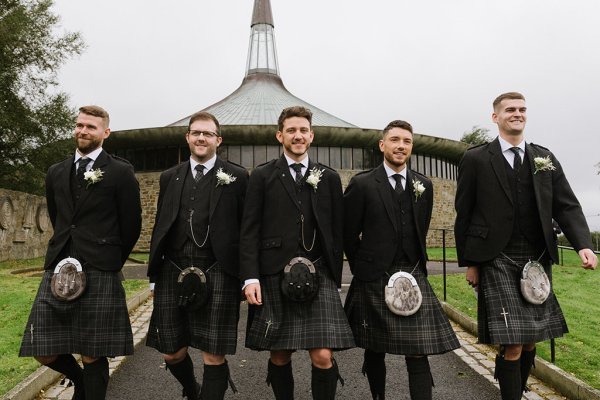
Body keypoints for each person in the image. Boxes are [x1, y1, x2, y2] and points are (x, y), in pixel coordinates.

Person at [455, 92, 598, 399]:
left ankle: (517, 391)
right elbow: (464, 213)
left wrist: (583, 244)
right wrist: (470, 262)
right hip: (496, 257)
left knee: (531, 339)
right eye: (509, 109)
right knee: (514, 343)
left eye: (521, 109)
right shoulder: (476, 158)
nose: (516, 113)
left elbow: (567, 206)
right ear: (496, 117)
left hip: (536, 257)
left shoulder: (543, 157)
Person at [19, 105, 142, 400]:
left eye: (91, 127)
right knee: (42, 349)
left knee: (93, 352)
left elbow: (131, 225)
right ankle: (81, 382)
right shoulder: (56, 171)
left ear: (105, 132)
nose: (83, 131)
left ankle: (90, 389)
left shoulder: (120, 171)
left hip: (99, 267)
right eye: (80, 125)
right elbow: (57, 215)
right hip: (59, 267)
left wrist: (110, 258)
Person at [240, 106, 355, 399]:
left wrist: (336, 273)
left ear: (311, 135)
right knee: (280, 354)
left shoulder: (327, 177)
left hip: (319, 273)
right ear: (280, 135)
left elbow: (337, 230)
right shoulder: (263, 176)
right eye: (291, 130)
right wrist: (250, 277)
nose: (298, 135)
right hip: (274, 272)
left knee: (323, 355)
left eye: (303, 130)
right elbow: (249, 230)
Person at [343, 120, 460, 400]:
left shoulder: (424, 185)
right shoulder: (363, 183)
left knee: (419, 349)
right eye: (395, 140)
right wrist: (361, 265)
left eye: (406, 141)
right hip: (374, 274)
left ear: (411, 146)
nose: (401, 146)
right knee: (375, 347)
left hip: (413, 271)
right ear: (382, 145)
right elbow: (347, 232)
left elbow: (421, 226)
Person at [145, 111, 248, 400]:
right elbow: (161, 225)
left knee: (213, 353)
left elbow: (247, 229)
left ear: (218, 139)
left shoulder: (238, 177)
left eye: (207, 133)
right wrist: (154, 275)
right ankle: (192, 390)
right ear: (188, 137)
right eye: (196, 133)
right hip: (172, 268)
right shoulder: (170, 177)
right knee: (171, 350)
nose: (201, 138)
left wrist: (245, 275)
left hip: (219, 268)